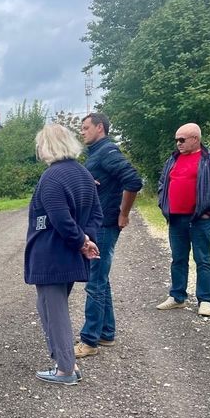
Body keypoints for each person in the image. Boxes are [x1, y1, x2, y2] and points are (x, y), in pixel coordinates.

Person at [25, 124, 102, 385]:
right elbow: (96, 214)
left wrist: (81, 241)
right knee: (48, 306)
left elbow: (59, 218)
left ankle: (65, 369)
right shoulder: (83, 173)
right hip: (67, 254)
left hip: (51, 254)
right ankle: (64, 359)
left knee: (54, 309)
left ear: (46, 146)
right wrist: (87, 238)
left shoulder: (52, 177)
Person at [74, 113, 143, 359]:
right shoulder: (96, 153)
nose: (82, 132)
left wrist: (123, 213)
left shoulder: (107, 151)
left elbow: (133, 181)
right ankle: (106, 333)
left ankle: (89, 340)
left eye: (85, 128)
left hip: (105, 224)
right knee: (102, 279)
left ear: (99, 128)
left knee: (95, 282)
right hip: (99, 223)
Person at [156, 123, 210, 317]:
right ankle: (177, 297)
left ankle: (205, 300)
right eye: (176, 140)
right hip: (176, 219)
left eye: (182, 139)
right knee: (178, 259)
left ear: (195, 139)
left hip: (199, 220)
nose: (178, 143)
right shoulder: (173, 159)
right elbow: (163, 183)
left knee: (203, 259)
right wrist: (163, 204)